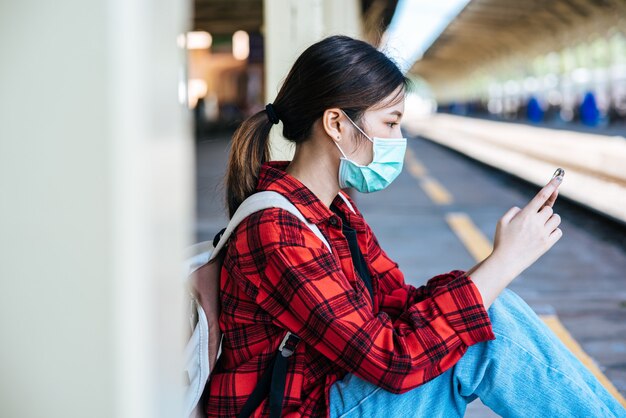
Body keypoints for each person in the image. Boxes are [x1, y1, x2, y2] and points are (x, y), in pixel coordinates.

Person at [203, 35, 626, 417]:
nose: (398, 137)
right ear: (336, 124)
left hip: (329, 394)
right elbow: (393, 362)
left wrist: (493, 269)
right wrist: (504, 263)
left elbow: (398, 303)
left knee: (491, 312)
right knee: (485, 333)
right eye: (390, 122)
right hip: (299, 410)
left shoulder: (336, 211)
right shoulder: (277, 229)